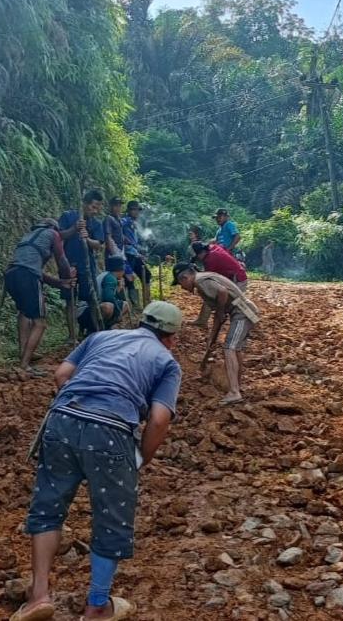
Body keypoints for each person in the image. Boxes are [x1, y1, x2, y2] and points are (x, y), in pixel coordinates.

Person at [13, 301, 184, 621]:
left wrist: (80, 407)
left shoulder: (101, 337)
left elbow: (61, 374)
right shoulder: (166, 362)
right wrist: (140, 458)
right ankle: (96, 606)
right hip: (111, 432)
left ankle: (39, 596)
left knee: (48, 508)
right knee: (111, 517)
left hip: (62, 420)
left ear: (141, 322)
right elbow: (160, 419)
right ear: (171, 338)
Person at [173, 263, 259, 405]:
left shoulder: (200, 281)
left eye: (180, 284)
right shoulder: (204, 280)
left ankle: (234, 392)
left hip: (243, 312)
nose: (182, 287)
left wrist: (220, 311)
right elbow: (218, 317)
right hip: (243, 311)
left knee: (229, 348)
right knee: (236, 349)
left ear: (185, 278)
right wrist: (211, 338)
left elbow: (222, 292)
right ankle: (236, 385)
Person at [5, 219, 75, 376]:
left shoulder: (29, 237)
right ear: (53, 228)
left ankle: (24, 353)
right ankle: (24, 366)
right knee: (40, 323)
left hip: (11, 274)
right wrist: (68, 278)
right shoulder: (53, 234)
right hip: (27, 276)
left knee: (23, 313)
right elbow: (62, 260)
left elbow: (36, 271)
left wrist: (60, 283)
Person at [59, 190, 106, 312]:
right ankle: (72, 324)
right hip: (68, 264)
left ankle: (92, 322)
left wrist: (87, 239)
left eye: (98, 209)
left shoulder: (96, 223)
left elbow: (98, 245)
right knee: (70, 300)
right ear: (84, 203)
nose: (95, 211)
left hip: (87, 266)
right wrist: (74, 228)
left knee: (92, 298)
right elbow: (59, 236)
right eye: (93, 207)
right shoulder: (68, 216)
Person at [78, 255, 127, 334]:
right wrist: (119, 315)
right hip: (88, 313)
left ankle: (106, 328)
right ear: (121, 270)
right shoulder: (111, 278)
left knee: (123, 304)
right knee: (109, 306)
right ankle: (98, 329)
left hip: (86, 312)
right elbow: (108, 298)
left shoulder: (106, 275)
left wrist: (118, 290)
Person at [121, 200, 151, 308]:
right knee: (128, 280)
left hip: (134, 254)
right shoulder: (125, 220)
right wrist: (123, 238)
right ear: (130, 210)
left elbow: (134, 242)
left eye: (138, 210)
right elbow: (118, 229)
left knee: (147, 275)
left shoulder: (134, 223)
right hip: (126, 255)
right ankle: (134, 306)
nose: (137, 212)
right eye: (135, 210)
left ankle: (147, 302)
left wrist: (139, 252)